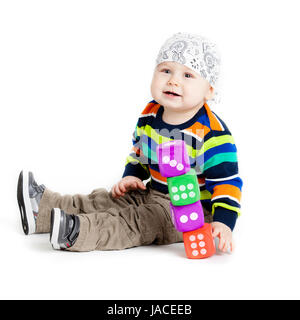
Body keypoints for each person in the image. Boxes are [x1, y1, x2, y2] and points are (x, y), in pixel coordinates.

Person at [17, 32, 242, 254]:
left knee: (139, 221)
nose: (173, 80)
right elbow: (139, 153)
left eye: (188, 75)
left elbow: (227, 184)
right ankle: (42, 210)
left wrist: (224, 223)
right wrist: (132, 174)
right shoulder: (150, 115)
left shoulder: (212, 134)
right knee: (104, 199)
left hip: (191, 213)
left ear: (209, 90)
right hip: (152, 191)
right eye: (165, 71)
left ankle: (78, 232)